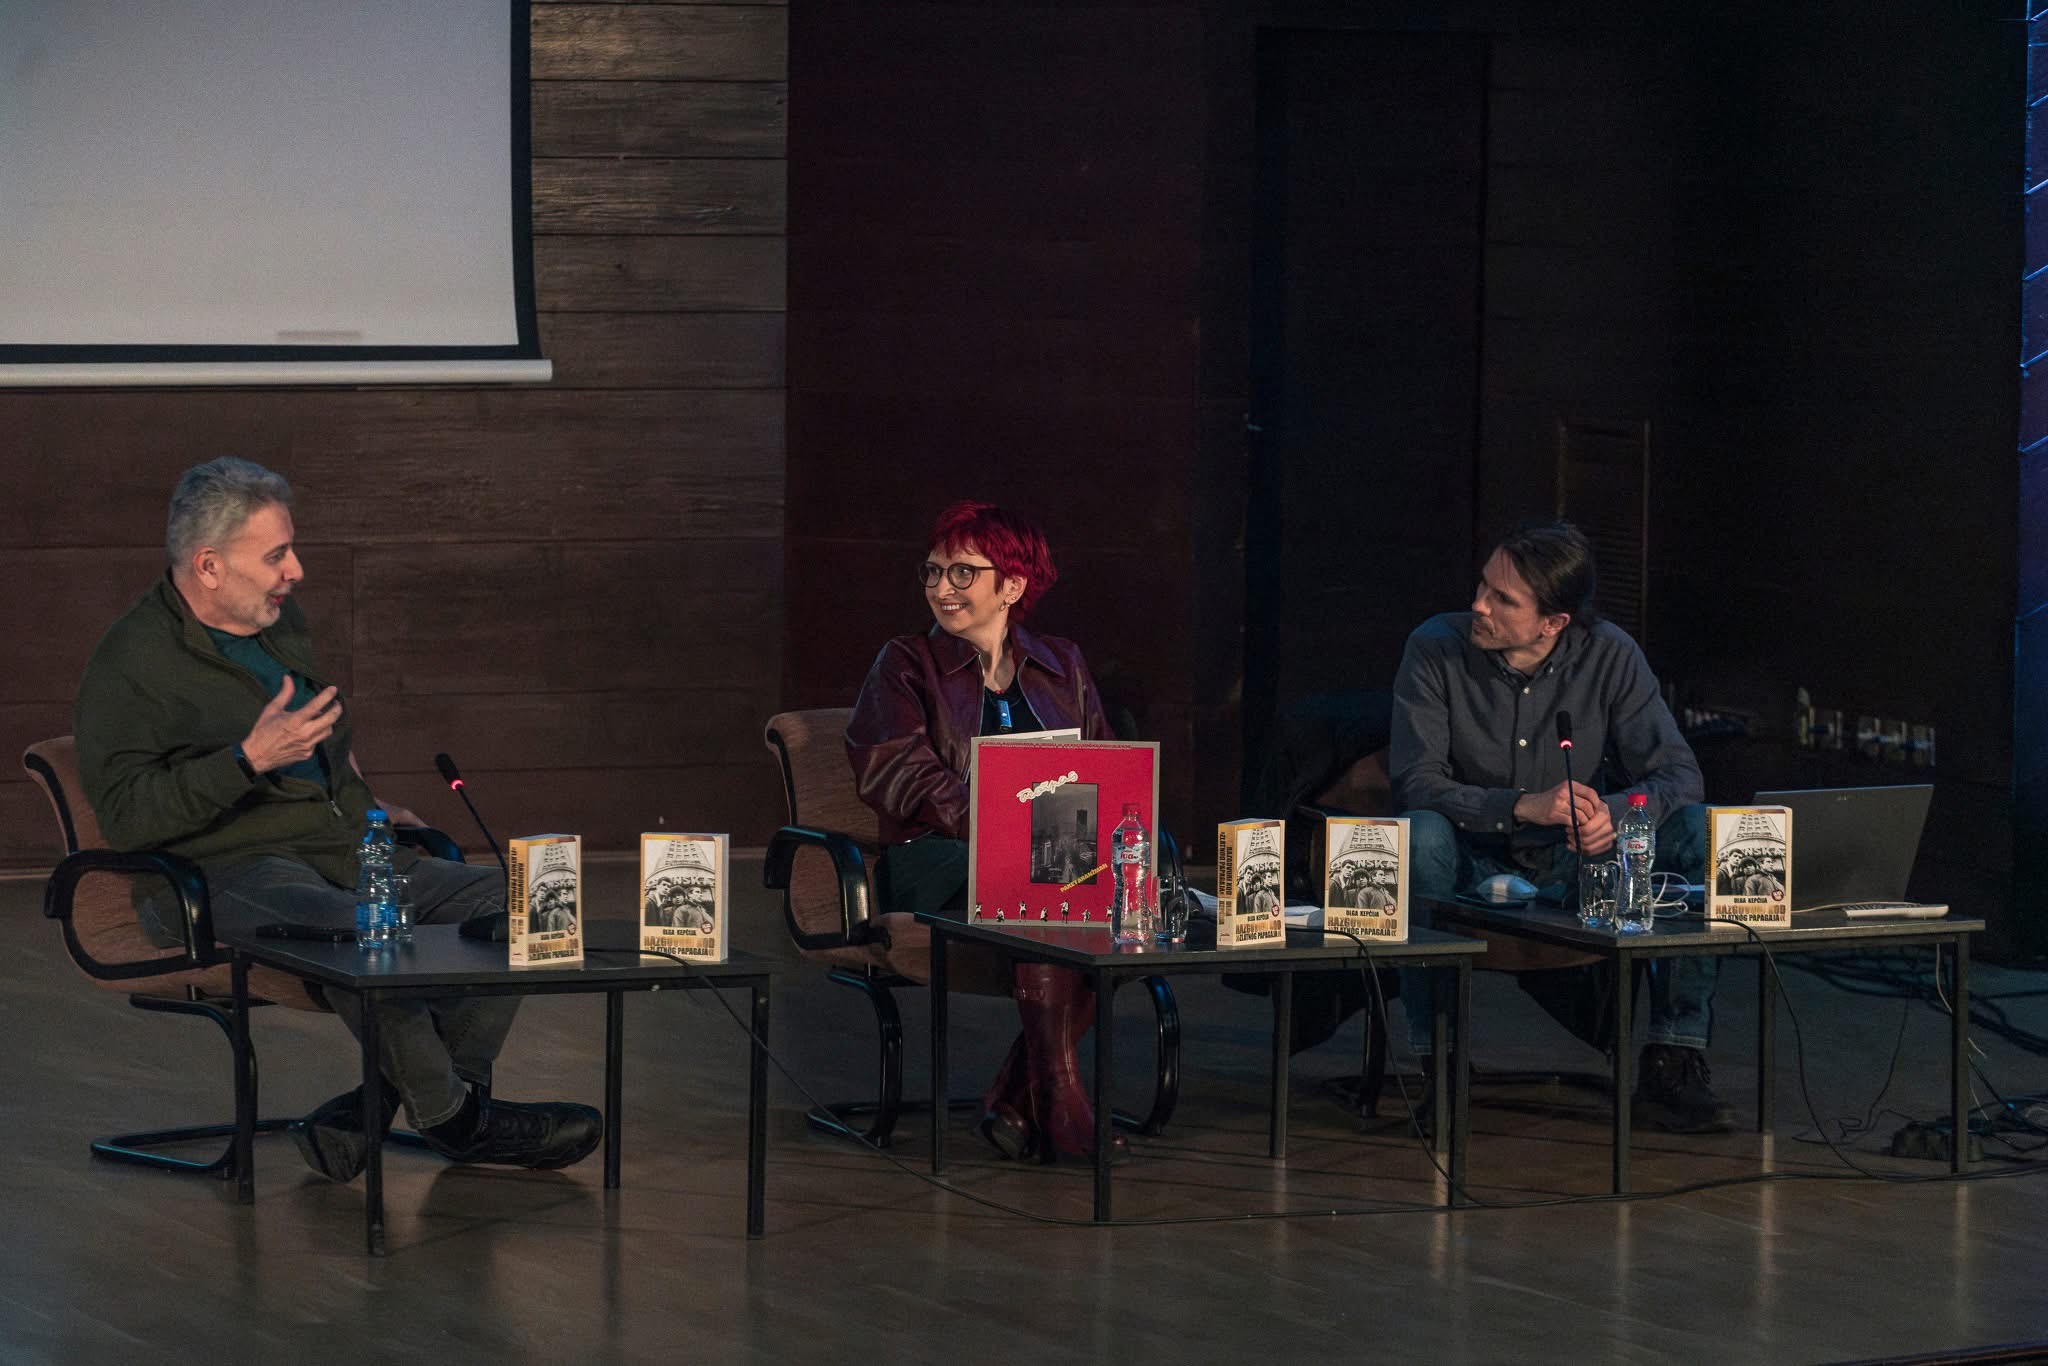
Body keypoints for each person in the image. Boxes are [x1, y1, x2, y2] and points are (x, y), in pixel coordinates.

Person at [73, 458, 604, 1182]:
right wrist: (248, 760)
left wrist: (363, 800)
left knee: (528, 902)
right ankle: (455, 1120)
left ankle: (395, 1106)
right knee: (364, 928)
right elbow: (129, 817)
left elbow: (322, 736)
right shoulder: (131, 663)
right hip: (220, 871)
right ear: (209, 566)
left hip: (339, 849)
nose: (295, 571)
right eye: (275, 555)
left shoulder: (276, 619)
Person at [1390, 521, 1730, 1132]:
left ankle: (1673, 1058)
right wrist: (1522, 805)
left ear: (1553, 623)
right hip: (1472, 859)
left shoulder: (1610, 655)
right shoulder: (1435, 645)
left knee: (1698, 830)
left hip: (1578, 862)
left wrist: (1616, 815)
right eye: (1483, 586)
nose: (1479, 605)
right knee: (1418, 836)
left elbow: (1679, 775)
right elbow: (1417, 781)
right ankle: (1440, 1062)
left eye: (1502, 599)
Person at [845, 500, 1122, 1161]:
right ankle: (1059, 1100)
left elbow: (1105, 768)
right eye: (933, 571)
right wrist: (1000, 829)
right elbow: (898, 773)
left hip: (1050, 859)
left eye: (963, 573)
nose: (942, 588)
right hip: (935, 858)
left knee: (1117, 892)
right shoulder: (904, 663)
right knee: (1054, 883)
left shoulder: (1064, 664)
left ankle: (1018, 1098)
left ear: (1013, 586)